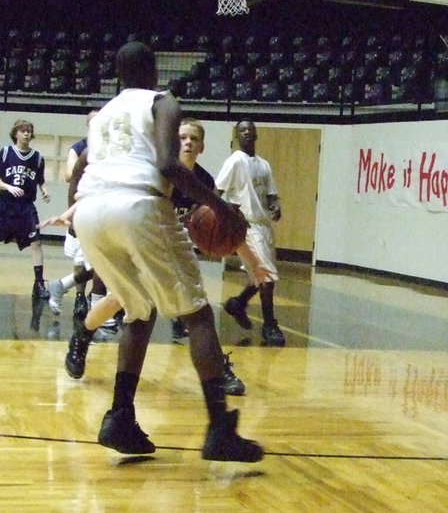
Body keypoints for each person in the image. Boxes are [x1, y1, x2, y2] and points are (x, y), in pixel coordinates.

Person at [55, 41, 261, 462]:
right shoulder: (162, 101)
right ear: (153, 72)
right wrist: (220, 206)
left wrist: (80, 208)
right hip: (137, 204)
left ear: (118, 74)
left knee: (138, 309)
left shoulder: (104, 114)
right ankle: (219, 428)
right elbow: (168, 165)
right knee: (198, 313)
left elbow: (77, 175)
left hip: (91, 212)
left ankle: (120, 416)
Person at [216, 119, 286, 347]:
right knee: (267, 276)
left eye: (250, 130)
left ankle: (238, 303)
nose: (246, 133)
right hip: (244, 226)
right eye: (242, 130)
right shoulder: (235, 162)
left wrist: (275, 206)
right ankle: (269, 325)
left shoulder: (264, 165)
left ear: (256, 135)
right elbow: (217, 192)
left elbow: (271, 195)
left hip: (263, 225)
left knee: (261, 275)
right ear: (238, 136)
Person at [0, 119, 52, 296]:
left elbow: (40, 180)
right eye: (23, 131)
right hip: (6, 205)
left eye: (29, 131)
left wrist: (44, 191)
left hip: (26, 207)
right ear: (16, 133)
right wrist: (9, 186)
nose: (26, 134)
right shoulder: (6, 153)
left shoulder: (37, 158)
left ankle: (38, 283)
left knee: (36, 242)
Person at [46, 113, 98, 319]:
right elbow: (69, 176)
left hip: (95, 208)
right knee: (90, 262)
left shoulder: (109, 148)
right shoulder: (80, 150)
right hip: (83, 209)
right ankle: (81, 298)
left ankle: (99, 310)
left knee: (102, 265)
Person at [168, 117, 216, 341]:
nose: (188, 142)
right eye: (182, 137)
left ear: (202, 147)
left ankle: (181, 319)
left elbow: (205, 212)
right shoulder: (163, 171)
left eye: (194, 139)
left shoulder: (205, 179)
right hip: (153, 233)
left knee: (190, 281)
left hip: (182, 238)